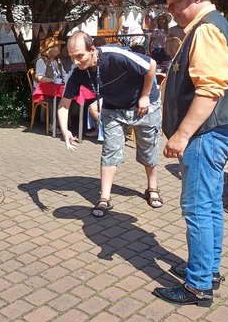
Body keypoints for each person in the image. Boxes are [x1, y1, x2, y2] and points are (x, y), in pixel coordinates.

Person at [150, 0, 228, 307]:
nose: (171, 10)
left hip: (205, 134)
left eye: (175, 2)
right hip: (213, 133)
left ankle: (198, 285)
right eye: (168, 5)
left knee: (198, 209)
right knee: (209, 206)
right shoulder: (206, 27)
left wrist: (181, 135)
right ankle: (207, 270)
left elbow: (209, 90)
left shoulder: (205, 30)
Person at [57, 31, 163, 215]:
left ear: (92, 49)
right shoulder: (77, 72)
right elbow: (64, 105)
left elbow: (151, 65)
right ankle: (104, 198)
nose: (76, 62)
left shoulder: (115, 55)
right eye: (72, 57)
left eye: (80, 56)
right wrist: (65, 130)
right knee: (110, 150)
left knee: (148, 148)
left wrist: (145, 96)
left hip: (143, 105)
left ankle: (152, 188)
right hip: (113, 108)